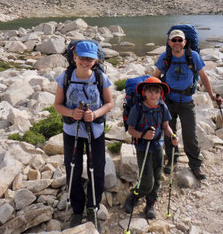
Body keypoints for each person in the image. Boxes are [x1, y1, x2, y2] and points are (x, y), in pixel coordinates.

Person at [54, 41, 113, 230]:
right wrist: (71, 113)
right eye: (82, 58)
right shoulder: (65, 77)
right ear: (75, 57)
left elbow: (109, 103)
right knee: (73, 167)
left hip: (95, 130)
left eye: (89, 58)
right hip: (72, 130)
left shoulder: (100, 77)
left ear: (95, 60)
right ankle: (77, 208)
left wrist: (95, 114)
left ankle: (93, 206)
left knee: (97, 167)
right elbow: (57, 105)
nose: (85, 62)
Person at [153, 29, 222, 181]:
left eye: (180, 40)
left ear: (185, 42)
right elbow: (155, 78)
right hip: (168, 102)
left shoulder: (193, 56)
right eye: (174, 40)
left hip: (186, 101)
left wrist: (212, 95)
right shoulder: (165, 57)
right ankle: (171, 160)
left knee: (190, 134)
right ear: (169, 42)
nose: (177, 43)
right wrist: (150, 98)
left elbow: (204, 77)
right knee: (169, 132)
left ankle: (195, 164)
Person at [124, 77, 179, 219]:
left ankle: (150, 203)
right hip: (143, 148)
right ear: (144, 93)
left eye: (156, 92)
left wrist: (173, 136)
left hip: (157, 146)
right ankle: (134, 196)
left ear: (161, 94)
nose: (153, 95)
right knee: (147, 181)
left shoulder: (162, 107)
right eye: (150, 92)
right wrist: (143, 135)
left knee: (157, 177)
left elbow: (166, 127)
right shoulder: (137, 109)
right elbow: (130, 130)